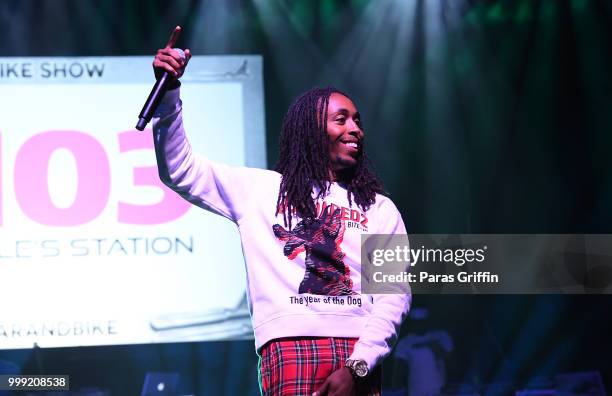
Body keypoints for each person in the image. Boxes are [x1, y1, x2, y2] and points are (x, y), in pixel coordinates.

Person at [152, 26, 411, 396]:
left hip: (358, 348)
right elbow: (180, 169)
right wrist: (169, 94)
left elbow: (394, 294)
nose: (355, 129)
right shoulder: (261, 190)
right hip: (288, 345)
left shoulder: (379, 208)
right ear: (310, 129)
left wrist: (358, 366)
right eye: (342, 119)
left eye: (358, 121)